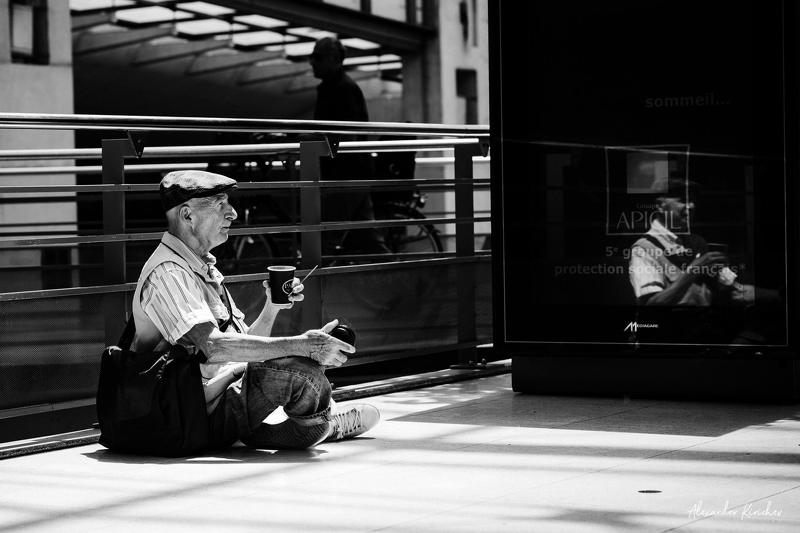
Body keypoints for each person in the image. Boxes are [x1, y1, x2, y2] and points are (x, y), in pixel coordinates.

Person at [130, 169, 380, 451]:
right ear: (188, 216)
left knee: (303, 363)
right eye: (220, 204)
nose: (233, 213)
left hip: (219, 395)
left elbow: (239, 350)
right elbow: (214, 347)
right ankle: (326, 426)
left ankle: (310, 423)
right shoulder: (168, 273)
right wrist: (300, 346)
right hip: (188, 415)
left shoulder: (200, 267)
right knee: (300, 373)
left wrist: (272, 309)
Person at [627, 184, 779, 345]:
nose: (691, 206)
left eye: (692, 200)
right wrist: (695, 269)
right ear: (660, 205)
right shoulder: (643, 248)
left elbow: (735, 292)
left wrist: (775, 296)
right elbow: (652, 308)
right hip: (667, 344)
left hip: (703, 339)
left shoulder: (697, 242)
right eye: (683, 200)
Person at [309, 36, 389, 255]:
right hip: (352, 172)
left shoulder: (342, 88)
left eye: (317, 57)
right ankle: (400, 277)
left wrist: (310, 140)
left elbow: (345, 135)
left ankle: (320, 283)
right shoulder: (337, 86)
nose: (311, 62)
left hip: (344, 174)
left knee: (325, 236)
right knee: (364, 237)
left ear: (335, 59)